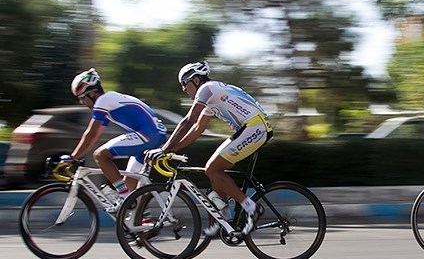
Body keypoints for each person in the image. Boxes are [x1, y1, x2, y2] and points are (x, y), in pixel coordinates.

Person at [145, 61, 273, 237]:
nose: (183, 89)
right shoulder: (212, 97)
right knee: (214, 171)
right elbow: (197, 129)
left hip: (254, 127)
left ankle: (252, 208)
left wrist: (164, 149)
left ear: (196, 80)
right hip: (251, 128)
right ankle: (225, 220)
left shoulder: (207, 88)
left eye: (184, 83)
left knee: (212, 168)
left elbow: (188, 121)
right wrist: (170, 150)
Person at [64, 68, 168, 213]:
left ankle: (123, 198)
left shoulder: (103, 101)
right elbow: (96, 135)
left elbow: (91, 134)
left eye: (82, 98)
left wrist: (73, 157)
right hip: (154, 135)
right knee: (129, 185)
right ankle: (142, 224)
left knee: (100, 155)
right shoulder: (110, 101)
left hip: (148, 135)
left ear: (92, 93)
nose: (82, 102)